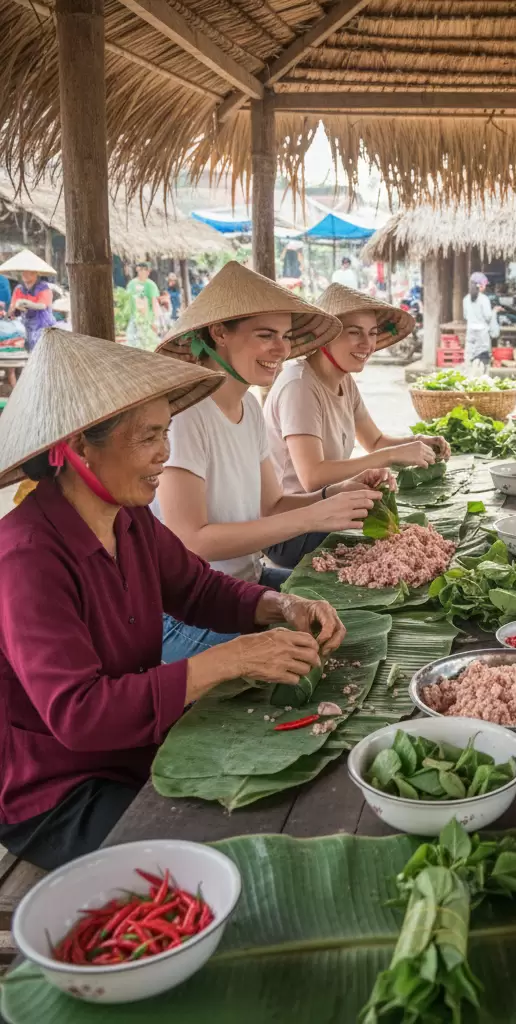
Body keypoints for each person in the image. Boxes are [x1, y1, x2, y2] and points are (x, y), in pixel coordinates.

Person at [0, 327, 346, 867]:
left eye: (166, 433)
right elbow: (80, 714)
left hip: (136, 749)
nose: (166, 453)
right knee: (229, 863)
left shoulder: (131, 518)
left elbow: (198, 588)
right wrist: (230, 658)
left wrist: (279, 606)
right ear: (77, 447)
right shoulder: (25, 557)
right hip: (60, 791)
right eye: (148, 438)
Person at [152, 261, 386, 660]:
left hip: (247, 584)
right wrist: (315, 517)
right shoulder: (187, 414)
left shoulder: (248, 406)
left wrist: (333, 494)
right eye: (265, 335)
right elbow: (190, 541)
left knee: (365, 614)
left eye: (284, 336)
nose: (280, 349)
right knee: (318, 660)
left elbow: (271, 505)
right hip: (184, 610)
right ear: (219, 332)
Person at [263, 283, 450, 565]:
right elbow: (312, 476)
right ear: (324, 335)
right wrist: (388, 456)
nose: (368, 344)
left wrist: (416, 443)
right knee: (402, 546)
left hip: (328, 507)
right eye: (354, 333)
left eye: (372, 333)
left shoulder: (344, 381)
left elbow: (375, 442)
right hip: (290, 530)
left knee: (419, 531)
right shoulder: (299, 385)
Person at [0, 249, 57, 352]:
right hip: (26, 324)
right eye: (23, 271)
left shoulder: (44, 288)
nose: (25, 274)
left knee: (40, 350)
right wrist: (15, 307)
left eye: (29, 271)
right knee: (26, 348)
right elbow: (11, 311)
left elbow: (42, 306)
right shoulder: (19, 289)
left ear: (36, 273)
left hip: (43, 325)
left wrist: (25, 302)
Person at [126, 261, 162, 351]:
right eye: (140, 269)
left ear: (148, 272)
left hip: (147, 319)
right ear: (137, 270)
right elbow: (127, 301)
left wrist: (155, 321)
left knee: (148, 344)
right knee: (132, 344)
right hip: (134, 318)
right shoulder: (131, 284)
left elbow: (154, 303)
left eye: (145, 270)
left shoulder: (151, 285)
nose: (142, 272)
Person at [463, 271, 494, 372]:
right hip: (482, 332)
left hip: (470, 330)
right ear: (480, 285)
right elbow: (488, 316)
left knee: (470, 357)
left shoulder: (466, 299)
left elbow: (466, 316)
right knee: (483, 359)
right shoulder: (484, 299)